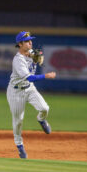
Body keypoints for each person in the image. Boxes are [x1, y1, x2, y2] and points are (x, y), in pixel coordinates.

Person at [6, 31, 56, 159]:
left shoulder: (32, 52)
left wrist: (39, 58)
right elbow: (29, 78)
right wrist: (46, 75)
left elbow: (39, 57)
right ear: (20, 44)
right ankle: (20, 146)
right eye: (27, 41)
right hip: (16, 92)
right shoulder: (18, 60)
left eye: (31, 40)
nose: (30, 42)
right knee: (18, 121)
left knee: (45, 108)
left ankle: (41, 119)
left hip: (29, 89)